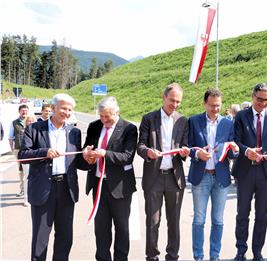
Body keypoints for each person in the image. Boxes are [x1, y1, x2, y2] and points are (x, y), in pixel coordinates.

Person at [18, 93, 88, 260]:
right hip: (43, 189)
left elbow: (77, 162)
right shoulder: (34, 129)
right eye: (64, 108)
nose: (67, 112)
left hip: (66, 188)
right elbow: (23, 155)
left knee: (65, 237)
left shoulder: (74, 132)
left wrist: (88, 158)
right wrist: (45, 152)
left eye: (70, 109)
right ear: (53, 108)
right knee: (40, 239)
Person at [137, 83, 190, 261]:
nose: (175, 105)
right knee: (153, 221)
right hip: (154, 177)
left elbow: (185, 144)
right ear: (164, 97)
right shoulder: (149, 119)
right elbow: (140, 146)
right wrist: (148, 153)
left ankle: (172, 256)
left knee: (174, 221)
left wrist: (184, 151)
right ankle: (152, 256)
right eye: (172, 100)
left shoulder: (183, 120)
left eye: (178, 102)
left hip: (175, 178)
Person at [83, 96, 138, 260]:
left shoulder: (129, 128)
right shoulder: (94, 126)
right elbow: (86, 147)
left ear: (117, 112)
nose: (104, 120)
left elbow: (127, 156)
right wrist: (88, 154)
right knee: (101, 229)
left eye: (107, 116)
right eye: (101, 116)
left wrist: (105, 153)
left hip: (120, 187)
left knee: (122, 228)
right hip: (99, 185)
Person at [188, 88, 239, 261]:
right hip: (200, 177)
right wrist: (197, 154)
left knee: (218, 220)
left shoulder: (227, 123)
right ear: (204, 103)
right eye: (212, 105)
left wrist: (235, 150)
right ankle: (198, 256)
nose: (215, 109)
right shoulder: (193, 121)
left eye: (218, 105)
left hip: (221, 178)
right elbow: (188, 147)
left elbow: (230, 153)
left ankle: (215, 256)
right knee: (199, 220)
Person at [232, 83, 267, 261]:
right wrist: (246, 151)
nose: (262, 103)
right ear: (253, 96)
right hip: (245, 171)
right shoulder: (241, 116)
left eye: (266, 100)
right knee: (242, 214)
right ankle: (240, 250)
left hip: (265, 173)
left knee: (262, 215)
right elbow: (235, 139)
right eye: (259, 99)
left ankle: (257, 251)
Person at [9, 104, 29, 197]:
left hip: (30, 150)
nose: (24, 112)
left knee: (31, 170)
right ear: (19, 111)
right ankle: (22, 189)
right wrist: (12, 149)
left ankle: (30, 189)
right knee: (21, 170)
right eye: (22, 110)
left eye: (26, 110)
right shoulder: (14, 123)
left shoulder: (31, 121)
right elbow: (10, 137)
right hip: (18, 150)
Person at [20, 114, 37, 207]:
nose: (31, 123)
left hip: (36, 158)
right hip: (27, 158)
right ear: (26, 122)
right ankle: (26, 199)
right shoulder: (24, 131)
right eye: (29, 121)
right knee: (27, 178)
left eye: (32, 121)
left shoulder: (39, 131)